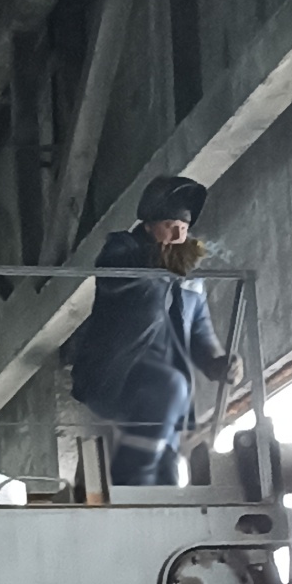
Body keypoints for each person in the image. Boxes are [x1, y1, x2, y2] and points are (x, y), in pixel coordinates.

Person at [65, 174, 234, 486]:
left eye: (183, 228)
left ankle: (148, 494)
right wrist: (160, 264)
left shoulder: (191, 281)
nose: (178, 235)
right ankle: (129, 480)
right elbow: (115, 278)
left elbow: (200, 331)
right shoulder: (122, 249)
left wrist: (216, 361)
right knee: (169, 385)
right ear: (148, 225)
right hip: (117, 375)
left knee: (167, 472)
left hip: (161, 398)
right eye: (170, 226)